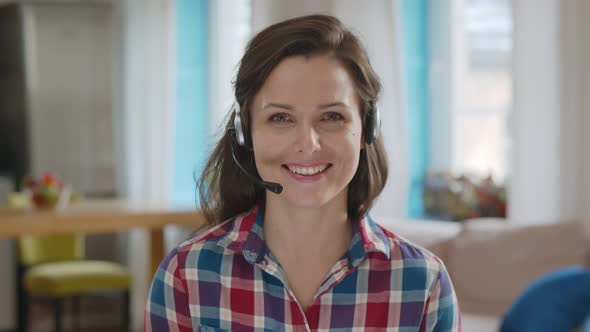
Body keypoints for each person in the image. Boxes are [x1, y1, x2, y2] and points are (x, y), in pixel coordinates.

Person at [145, 14, 461, 331]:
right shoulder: (187, 276)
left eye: (332, 116)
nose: (308, 145)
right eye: (281, 118)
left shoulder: (424, 284)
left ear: (367, 129)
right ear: (245, 133)